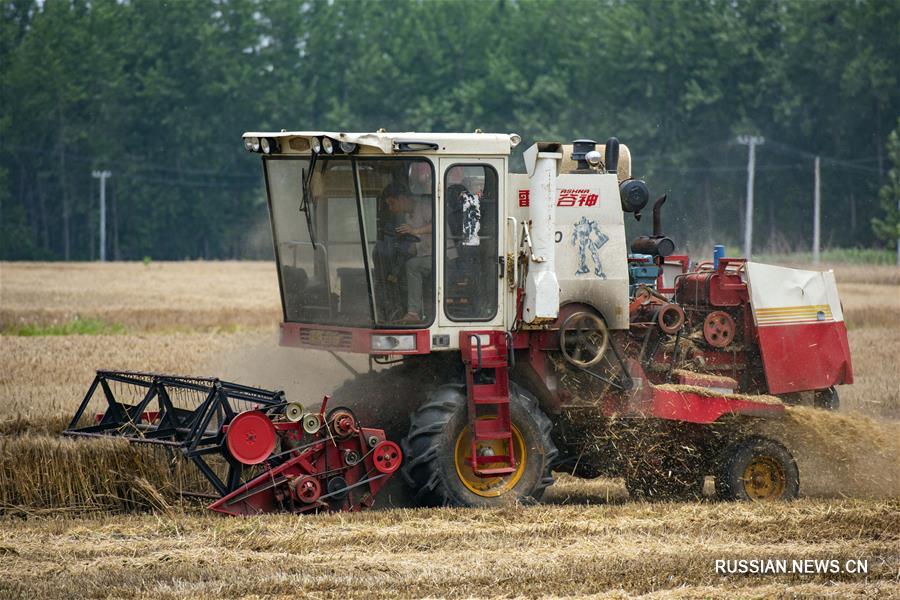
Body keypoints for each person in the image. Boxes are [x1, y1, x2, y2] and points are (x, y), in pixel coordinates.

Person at [381, 182, 432, 322]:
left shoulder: (424, 205)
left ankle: (413, 313)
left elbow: (437, 225)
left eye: (392, 203)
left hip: (443, 256)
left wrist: (414, 231)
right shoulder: (409, 216)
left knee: (412, 265)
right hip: (426, 255)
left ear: (402, 198)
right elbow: (421, 241)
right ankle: (396, 308)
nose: (391, 208)